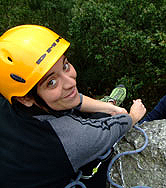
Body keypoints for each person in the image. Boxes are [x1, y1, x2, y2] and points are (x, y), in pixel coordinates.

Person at [0, 25, 146, 188]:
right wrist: (133, 116)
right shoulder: (69, 140)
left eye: (65, 65)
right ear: (25, 98)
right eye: (51, 82)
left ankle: (109, 102)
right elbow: (112, 128)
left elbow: (73, 99)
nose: (71, 82)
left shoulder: (10, 98)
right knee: (100, 130)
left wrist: (111, 108)